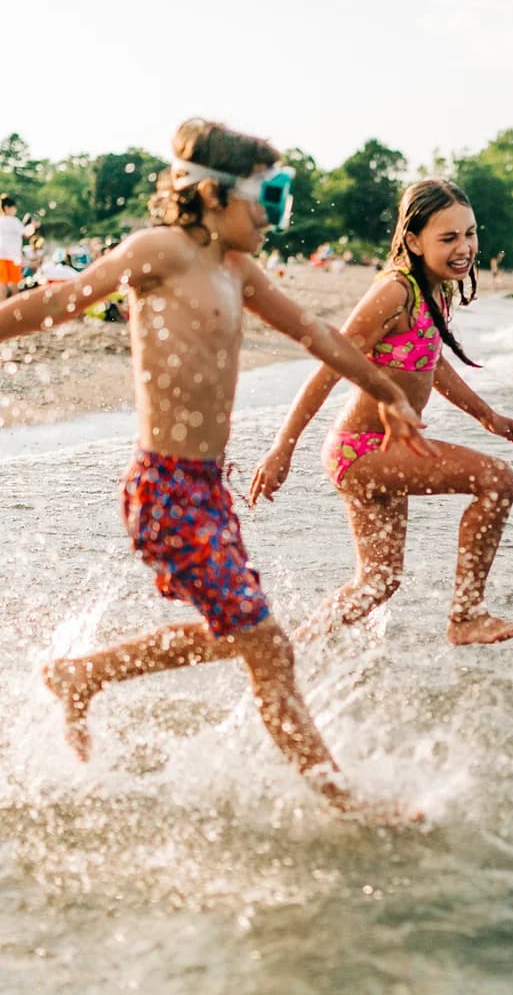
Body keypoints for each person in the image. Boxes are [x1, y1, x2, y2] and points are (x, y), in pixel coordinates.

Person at [0, 117, 431, 823]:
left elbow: (315, 333)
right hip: (164, 487)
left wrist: (384, 390)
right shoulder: (159, 250)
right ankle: (344, 801)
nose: (276, 216)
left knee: (242, 632)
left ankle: (82, 675)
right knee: (266, 644)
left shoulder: (237, 268)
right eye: (271, 196)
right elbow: (58, 302)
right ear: (211, 194)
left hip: (206, 489)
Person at [250, 179, 513, 646]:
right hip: (360, 453)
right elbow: (327, 368)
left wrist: (490, 418)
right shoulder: (394, 292)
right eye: (448, 238)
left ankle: (291, 651)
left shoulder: (434, 289)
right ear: (412, 240)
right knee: (496, 479)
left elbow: (433, 362)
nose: (464, 247)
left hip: (382, 452)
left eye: (470, 233)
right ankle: (467, 615)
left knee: (379, 582)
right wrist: (280, 450)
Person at [0, 196, 37, 298]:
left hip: (1, 255)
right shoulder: (14, 221)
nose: (15, 210)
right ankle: (13, 307)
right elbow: (26, 233)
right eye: (14, 207)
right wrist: (33, 226)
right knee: (14, 282)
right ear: (7, 207)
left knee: (2, 282)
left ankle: (2, 306)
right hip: (13, 256)